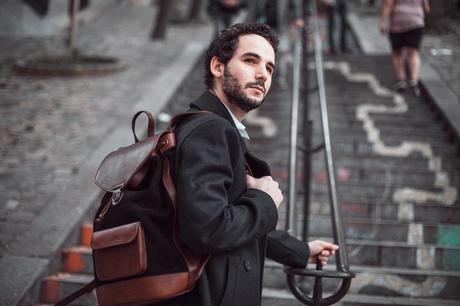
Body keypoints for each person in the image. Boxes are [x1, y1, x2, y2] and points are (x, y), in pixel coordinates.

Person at [161, 23, 338, 306]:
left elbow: (230, 214)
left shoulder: (214, 129)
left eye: (269, 68)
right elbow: (207, 228)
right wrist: (264, 199)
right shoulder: (211, 130)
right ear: (218, 67)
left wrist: (300, 251)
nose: (262, 75)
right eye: (250, 61)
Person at [380, 0, 430, 97]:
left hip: (398, 22)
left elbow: (388, 4)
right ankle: (414, 80)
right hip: (416, 22)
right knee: (413, 53)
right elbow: (426, 8)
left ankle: (401, 80)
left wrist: (383, 22)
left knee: (397, 53)